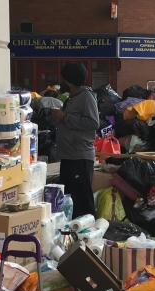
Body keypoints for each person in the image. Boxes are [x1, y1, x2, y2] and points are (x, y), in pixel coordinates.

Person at [52, 62, 99, 219]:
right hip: (68, 156)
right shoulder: (73, 97)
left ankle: (89, 237)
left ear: (69, 80)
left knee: (82, 203)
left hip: (80, 157)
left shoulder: (86, 96)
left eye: (64, 78)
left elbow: (93, 122)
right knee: (69, 201)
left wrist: (65, 116)